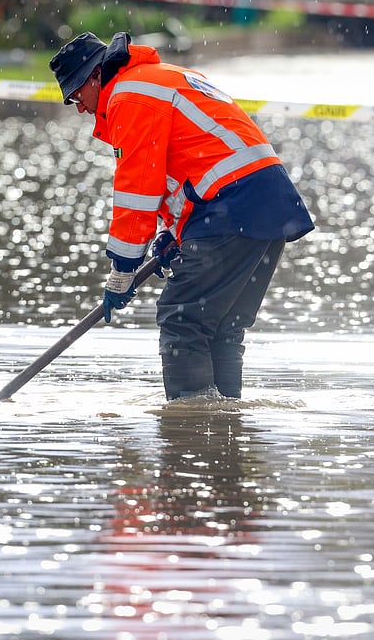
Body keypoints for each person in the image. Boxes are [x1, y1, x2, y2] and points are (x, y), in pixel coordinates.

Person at [49, 31, 314, 400]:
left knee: (182, 320)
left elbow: (137, 188)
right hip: (268, 204)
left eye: (77, 94)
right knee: (221, 326)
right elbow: (189, 167)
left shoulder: (130, 95)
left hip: (230, 207)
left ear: (96, 76)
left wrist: (122, 271)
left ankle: (190, 430)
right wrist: (176, 233)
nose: (79, 107)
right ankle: (224, 429)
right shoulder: (161, 78)